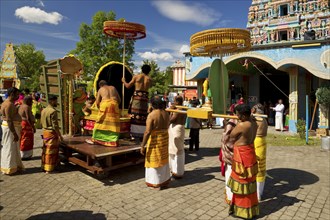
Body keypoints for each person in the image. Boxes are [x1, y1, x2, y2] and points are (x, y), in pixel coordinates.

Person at [228, 104, 259, 219]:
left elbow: (232, 136)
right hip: (250, 152)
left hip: (242, 155)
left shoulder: (242, 125)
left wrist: (232, 124)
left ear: (243, 115)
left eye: (238, 114)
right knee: (249, 181)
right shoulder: (254, 123)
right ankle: (249, 210)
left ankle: (242, 211)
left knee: (242, 182)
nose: (236, 116)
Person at [140, 96, 170, 189]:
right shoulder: (166, 113)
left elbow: (147, 132)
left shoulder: (152, 115)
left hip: (155, 140)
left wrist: (142, 145)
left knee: (154, 159)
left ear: (152, 104)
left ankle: (155, 182)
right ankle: (164, 180)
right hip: (164, 138)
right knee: (163, 158)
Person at [86, 80, 121, 147]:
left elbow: (97, 102)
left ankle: (96, 139)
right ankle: (113, 141)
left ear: (100, 85)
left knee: (100, 121)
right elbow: (119, 100)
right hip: (114, 104)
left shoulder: (101, 89)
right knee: (113, 123)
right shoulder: (113, 88)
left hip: (105, 104)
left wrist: (100, 109)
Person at [122, 64, 152, 142]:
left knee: (134, 114)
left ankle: (134, 134)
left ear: (141, 69)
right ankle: (142, 133)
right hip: (145, 98)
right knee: (143, 115)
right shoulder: (150, 79)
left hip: (137, 98)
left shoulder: (136, 77)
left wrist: (123, 81)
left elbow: (128, 86)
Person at [0, 87, 24, 175]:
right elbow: (9, 120)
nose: (18, 96)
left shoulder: (7, 103)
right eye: (17, 95)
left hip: (11, 128)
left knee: (12, 148)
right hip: (10, 129)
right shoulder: (9, 104)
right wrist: (14, 133)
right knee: (9, 148)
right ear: (12, 94)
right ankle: (9, 168)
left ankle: (13, 167)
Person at [41, 95, 63, 173]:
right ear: (52, 101)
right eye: (56, 101)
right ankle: (49, 169)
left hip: (45, 132)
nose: (56, 102)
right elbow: (55, 125)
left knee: (45, 150)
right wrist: (60, 135)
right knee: (51, 151)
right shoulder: (53, 111)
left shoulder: (44, 110)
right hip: (51, 133)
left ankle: (44, 166)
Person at [219, 115, 238, 205]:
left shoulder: (233, 123)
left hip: (232, 155)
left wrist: (226, 126)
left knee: (230, 175)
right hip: (240, 154)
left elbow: (226, 139)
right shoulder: (247, 123)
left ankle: (230, 197)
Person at [252, 103, 268, 201]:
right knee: (261, 167)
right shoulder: (264, 119)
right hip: (263, 142)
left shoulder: (257, 119)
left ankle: (257, 194)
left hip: (257, 142)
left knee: (257, 167)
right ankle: (259, 193)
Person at [168, 95, 187, 178]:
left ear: (177, 101)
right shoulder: (182, 108)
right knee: (173, 150)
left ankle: (178, 172)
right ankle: (174, 169)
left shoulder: (179, 109)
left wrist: (170, 110)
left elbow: (172, 119)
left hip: (176, 129)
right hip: (176, 128)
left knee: (177, 150)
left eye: (174, 100)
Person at [19, 96, 36, 160]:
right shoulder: (27, 107)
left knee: (22, 138)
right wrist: (33, 127)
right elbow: (28, 117)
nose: (31, 102)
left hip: (21, 124)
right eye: (31, 101)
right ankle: (26, 155)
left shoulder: (21, 106)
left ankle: (22, 154)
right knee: (27, 139)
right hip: (26, 124)